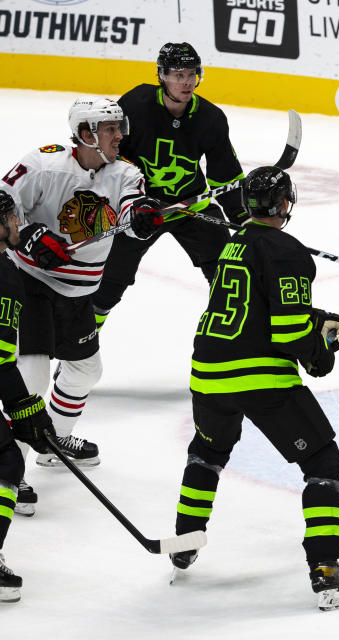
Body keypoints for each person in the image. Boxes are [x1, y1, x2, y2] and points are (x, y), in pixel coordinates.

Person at [170, 166, 339, 610]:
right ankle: (326, 569)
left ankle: (185, 538)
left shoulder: (233, 243)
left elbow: (258, 303)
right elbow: (287, 333)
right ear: (283, 205)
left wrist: (317, 319)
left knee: (208, 450)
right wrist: (323, 351)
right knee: (323, 460)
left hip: (207, 371)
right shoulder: (288, 251)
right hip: (259, 377)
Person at [3, 96, 163, 479]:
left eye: (119, 127)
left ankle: (52, 442)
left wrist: (141, 215)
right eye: (110, 129)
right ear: (86, 133)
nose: (119, 135)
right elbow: (3, 203)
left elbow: (131, 203)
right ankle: (10, 466)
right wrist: (28, 235)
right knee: (35, 372)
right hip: (33, 282)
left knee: (85, 370)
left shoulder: (124, 173)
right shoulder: (43, 164)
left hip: (76, 293)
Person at [92, 42, 244, 331]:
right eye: (178, 75)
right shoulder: (135, 105)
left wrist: (244, 218)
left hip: (192, 206)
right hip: (141, 210)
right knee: (109, 286)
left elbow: (225, 177)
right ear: (162, 75)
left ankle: (235, 345)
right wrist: (132, 202)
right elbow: (113, 156)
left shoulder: (211, 118)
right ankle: (80, 348)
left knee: (230, 278)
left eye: (192, 74)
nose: (187, 82)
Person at [0, 190, 62, 602]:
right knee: (5, 459)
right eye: (12, 219)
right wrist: (27, 409)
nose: (18, 225)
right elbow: (1, 362)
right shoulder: (5, 278)